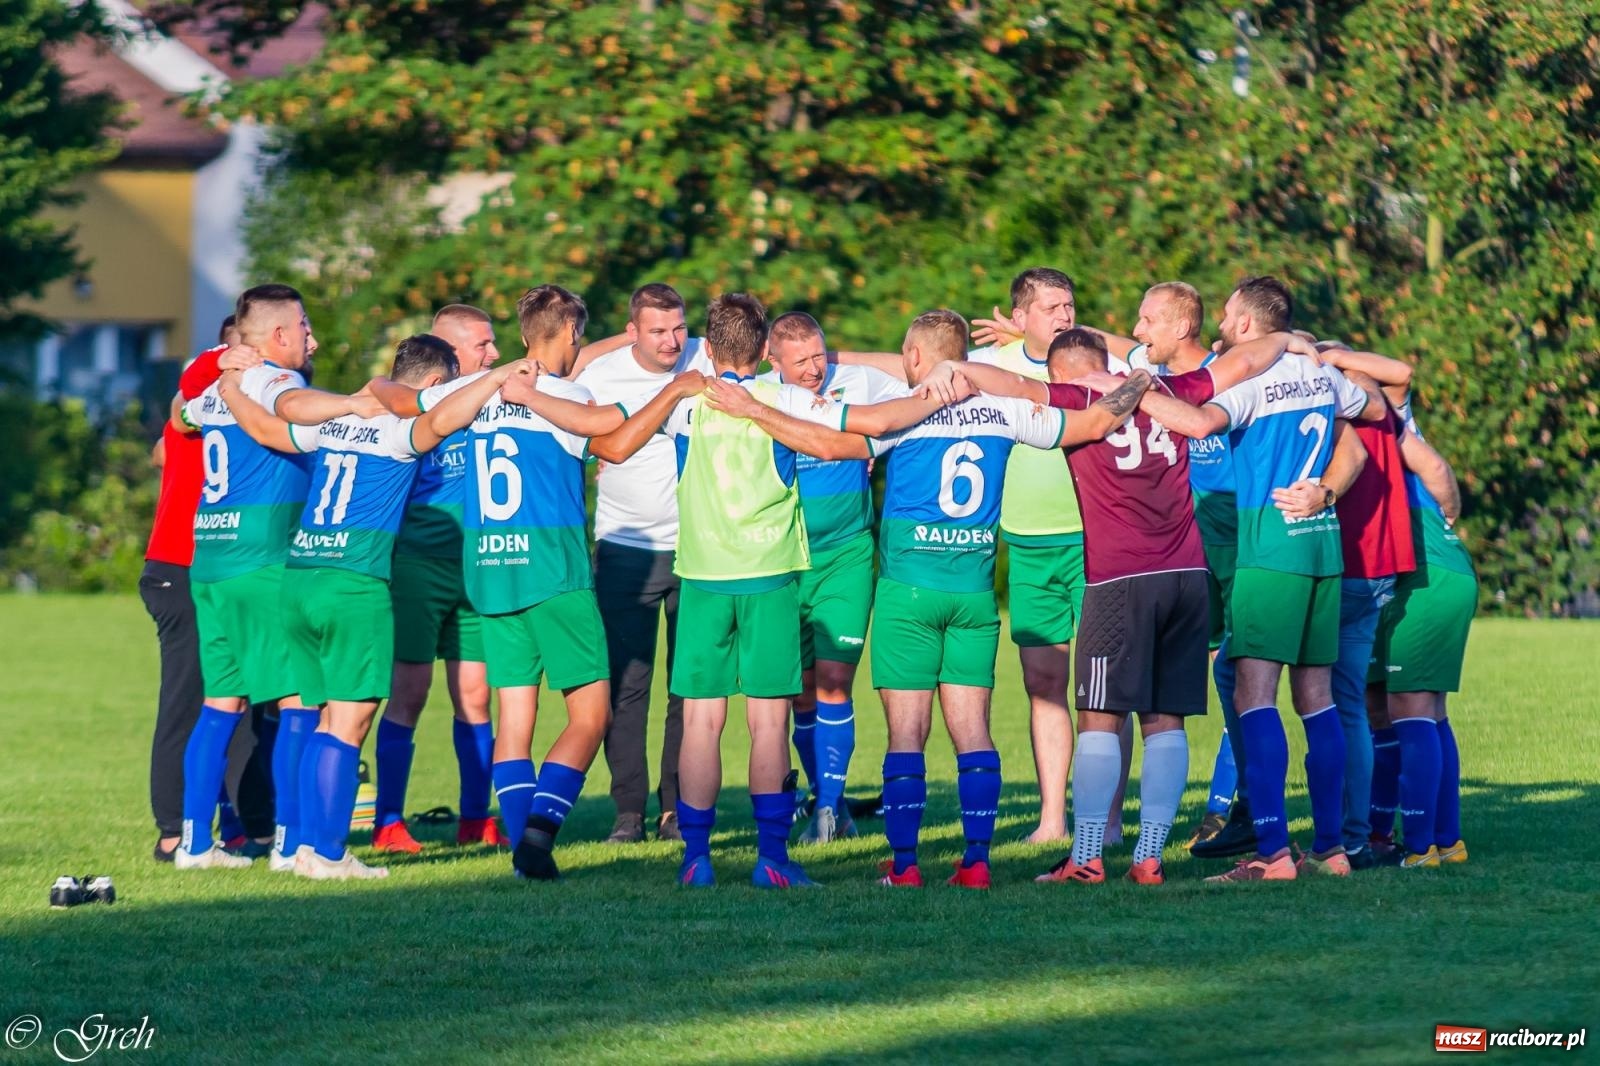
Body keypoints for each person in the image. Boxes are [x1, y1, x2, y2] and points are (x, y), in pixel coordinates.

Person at [526, 294, 944, 888]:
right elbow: (866, 428)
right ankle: (771, 859)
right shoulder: (784, 396)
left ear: (709, 345)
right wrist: (941, 392)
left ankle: (696, 859)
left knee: (700, 721)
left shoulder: (683, 402)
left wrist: (666, 392)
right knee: (769, 723)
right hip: (771, 577)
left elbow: (610, 445)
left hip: (701, 578)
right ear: (766, 350)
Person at [727, 310, 1148, 888]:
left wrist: (754, 408)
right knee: (973, 729)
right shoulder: (1004, 411)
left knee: (906, 734)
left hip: (908, 594)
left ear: (919, 358)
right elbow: (1093, 423)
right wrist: (1145, 378)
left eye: (907, 357)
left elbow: (827, 444)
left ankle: (905, 867)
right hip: (973, 596)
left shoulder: (903, 414)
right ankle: (976, 862)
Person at [933, 325, 1318, 885]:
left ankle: (1086, 857)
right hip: (1187, 575)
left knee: (1098, 718)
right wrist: (1283, 339)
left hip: (1120, 580)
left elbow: (1014, 386)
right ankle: (1150, 857)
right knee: (1165, 722)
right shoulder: (1169, 389)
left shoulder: (1077, 397)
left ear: (1061, 371)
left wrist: (958, 369)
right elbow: (1239, 365)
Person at [1125, 276, 1385, 882]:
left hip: (1268, 552)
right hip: (1322, 551)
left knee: (1253, 694)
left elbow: (1197, 423)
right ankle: (1331, 848)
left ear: (1246, 324)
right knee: (1316, 698)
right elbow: (1372, 412)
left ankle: (1271, 855)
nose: (1220, 321)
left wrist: (1128, 392)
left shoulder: (1254, 381)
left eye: (1226, 314)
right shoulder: (1320, 376)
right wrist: (1325, 488)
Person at [218, 334, 494, 878]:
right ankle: (326, 853)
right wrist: (497, 377)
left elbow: (267, 428)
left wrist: (230, 390)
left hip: (299, 576)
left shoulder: (335, 420)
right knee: (350, 722)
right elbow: (444, 420)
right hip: (352, 583)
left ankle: (299, 846)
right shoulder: (401, 430)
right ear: (435, 384)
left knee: (320, 719)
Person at [393, 285, 617, 882]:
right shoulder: (569, 394)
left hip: (490, 571)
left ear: (523, 336)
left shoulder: (472, 396)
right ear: (571, 333)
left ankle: (522, 852)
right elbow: (610, 442)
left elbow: (400, 398)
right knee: (590, 717)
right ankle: (539, 835)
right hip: (554, 572)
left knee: (514, 721)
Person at [170, 284, 385, 870]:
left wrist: (220, 369)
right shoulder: (275, 381)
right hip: (263, 559)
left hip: (210, 558)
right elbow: (292, 412)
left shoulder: (216, 381)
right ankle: (292, 844)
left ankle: (194, 843)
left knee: (222, 702)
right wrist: (350, 404)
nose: (313, 339)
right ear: (279, 336)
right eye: (305, 327)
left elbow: (179, 418)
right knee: (299, 704)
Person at [758, 311, 908, 843]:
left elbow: (920, 371)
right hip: (785, 560)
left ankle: (824, 812)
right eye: (800, 361)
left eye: (821, 355)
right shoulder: (759, 397)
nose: (814, 369)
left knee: (834, 683)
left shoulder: (856, 381)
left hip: (846, 555)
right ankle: (833, 801)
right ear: (771, 362)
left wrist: (849, 361)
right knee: (799, 691)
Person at [572, 283, 710, 843]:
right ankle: (628, 812)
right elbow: (557, 366)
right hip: (625, 550)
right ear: (631, 331)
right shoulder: (599, 374)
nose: (671, 340)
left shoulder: (706, 357)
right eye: (656, 330)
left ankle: (676, 808)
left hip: (699, 549)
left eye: (678, 327)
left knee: (690, 687)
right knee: (627, 687)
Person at [371, 304, 505, 854]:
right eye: (482, 345)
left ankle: (475, 817)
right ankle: (387, 821)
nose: (494, 354)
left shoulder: (497, 396)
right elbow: (381, 387)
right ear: (446, 351)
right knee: (409, 692)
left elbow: (563, 365)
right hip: (419, 565)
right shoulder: (413, 404)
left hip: (477, 565)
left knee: (475, 695)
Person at [142, 315, 270, 862]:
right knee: (187, 701)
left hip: (220, 567)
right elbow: (181, 405)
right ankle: (173, 832)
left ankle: (244, 825)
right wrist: (223, 359)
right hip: (182, 565)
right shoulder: (206, 386)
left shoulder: (229, 409)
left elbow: (160, 451)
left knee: (239, 703)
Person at [1369, 403, 1476, 868]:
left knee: (1410, 708)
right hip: (1432, 574)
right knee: (1421, 710)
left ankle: (1419, 846)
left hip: (1426, 579)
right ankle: (1443, 840)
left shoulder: (1368, 416)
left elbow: (1433, 464)